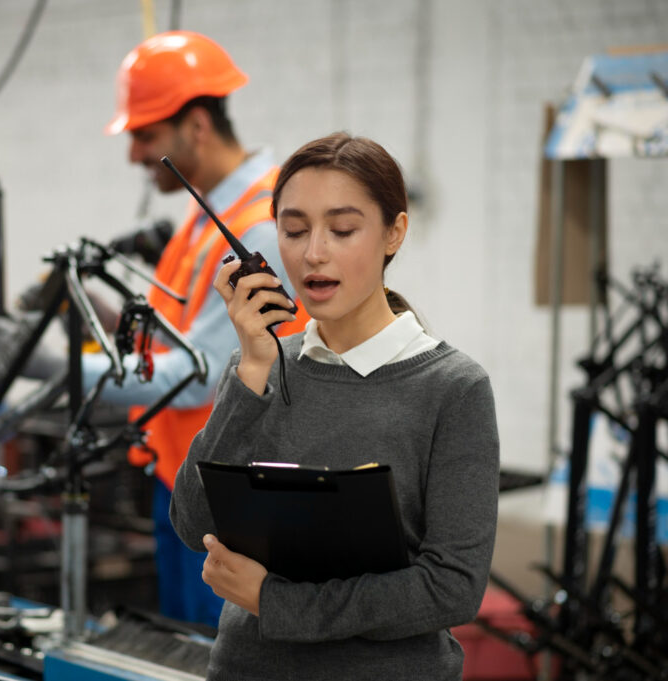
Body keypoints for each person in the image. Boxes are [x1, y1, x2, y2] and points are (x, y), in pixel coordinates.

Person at [170, 133, 499, 679]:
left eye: (342, 230)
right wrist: (252, 368)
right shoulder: (262, 366)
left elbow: (450, 589)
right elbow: (193, 524)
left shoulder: (453, 388)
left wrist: (276, 602)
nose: (313, 252)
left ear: (395, 231)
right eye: (293, 231)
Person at [78, 30, 311, 627]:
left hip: (236, 498)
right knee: (184, 652)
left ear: (198, 125)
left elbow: (200, 376)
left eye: (145, 136)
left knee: (216, 656)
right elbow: (174, 339)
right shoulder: (205, 213)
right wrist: (85, 308)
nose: (134, 155)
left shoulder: (259, 225)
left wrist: (66, 375)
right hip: (187, 478)